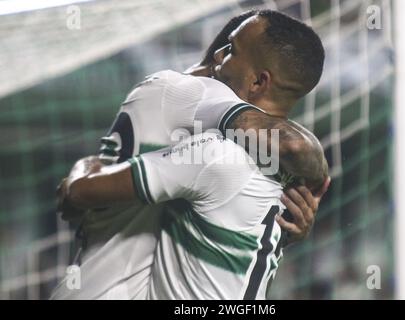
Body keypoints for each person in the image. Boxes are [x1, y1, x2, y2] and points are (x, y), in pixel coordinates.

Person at [51, 9, 329, 299]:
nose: (221, 59)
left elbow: (80, 192)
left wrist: (82, 170)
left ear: (259, 81)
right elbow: (290, 148)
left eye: (231, 51)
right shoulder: (279, 171)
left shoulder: (199, 118)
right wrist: (314, 180)